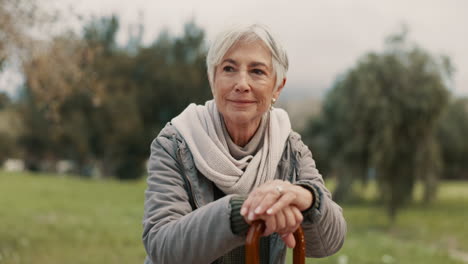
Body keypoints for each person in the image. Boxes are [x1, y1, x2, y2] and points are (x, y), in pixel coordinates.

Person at [142, 23, 346, 264]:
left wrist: (309, 199)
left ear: (277, 87)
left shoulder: (290, 147)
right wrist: (241, 212)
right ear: (212, 79)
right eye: (229, 68)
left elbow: (329, 242)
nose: (242, 84)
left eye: (257, 71)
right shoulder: (175, 143)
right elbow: (162, 246)